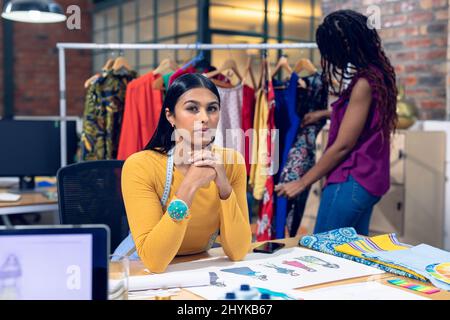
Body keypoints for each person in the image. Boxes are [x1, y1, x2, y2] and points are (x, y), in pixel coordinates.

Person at [275, 10, 398, 236]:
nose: (331, 57)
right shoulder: (379, 75)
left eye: (331, 49)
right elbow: (364, 118)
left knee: (324, 251)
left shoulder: (363, 83)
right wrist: (325, 113)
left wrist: (302, 182)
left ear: (344, 45)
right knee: (353, 252)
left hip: (351, 178)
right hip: (371, 178)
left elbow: (344, 145)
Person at [121, 73, 252, 273]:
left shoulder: (232, 163)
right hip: (140, 267)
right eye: (192, 108)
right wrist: (189, 186)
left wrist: (224, 188)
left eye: (212, 108)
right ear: (170, 116)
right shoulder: (140, 166)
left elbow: (238, 251)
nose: (204, 118)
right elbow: (155, 261)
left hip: (197, 266)